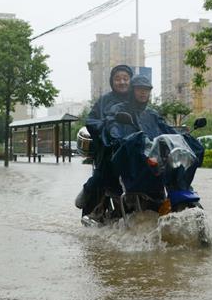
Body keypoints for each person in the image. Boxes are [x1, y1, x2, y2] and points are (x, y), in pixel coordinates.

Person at [75, 64, 134, 214]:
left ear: (131, 81)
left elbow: (149, 119)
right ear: (112, 82)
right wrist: (105, 128)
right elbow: (91, 120)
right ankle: (88, 190)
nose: (122, 82)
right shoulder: (104, 101)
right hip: (109, 148)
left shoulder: (137, 99)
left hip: (134, 148)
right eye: (118, 79)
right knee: (103, 173)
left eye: (126, 79)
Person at [103, 74, 176, 144]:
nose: (143, 92)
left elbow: (168, 130)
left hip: (154, 154)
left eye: (146, 89)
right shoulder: (118, 109)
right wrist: (122, 140)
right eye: (139, 89)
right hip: (128, 153)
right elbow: (113, 129)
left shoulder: (153, 114)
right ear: (132, 90)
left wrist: (183, 137)